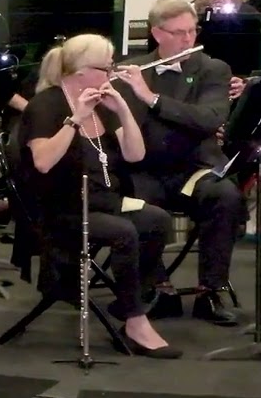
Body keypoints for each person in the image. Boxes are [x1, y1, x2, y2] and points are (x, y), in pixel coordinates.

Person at [21, 33, 180, 358]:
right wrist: (75, 120)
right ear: (80, 72)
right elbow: (43, 162)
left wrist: (123, 110)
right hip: (63, 207)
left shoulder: (102, 105)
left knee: (158, 221)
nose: (111, 74)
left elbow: (135, 155)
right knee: (124, 232)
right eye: (105, 68)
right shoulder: (46, 105)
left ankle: (129, 300)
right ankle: (136, 321)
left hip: (105, 200)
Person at [114, 0, 242, 326]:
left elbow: (209, 119)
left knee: (224, 195)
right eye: (179, 32)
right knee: (134, 203)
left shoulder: (213, 69)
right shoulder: (132, 71)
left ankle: (209, 291)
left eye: (192, 31)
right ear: (157, 33)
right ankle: (158, 288)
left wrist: (152, 99)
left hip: (194, 168)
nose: (189, 39)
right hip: (144, 169)